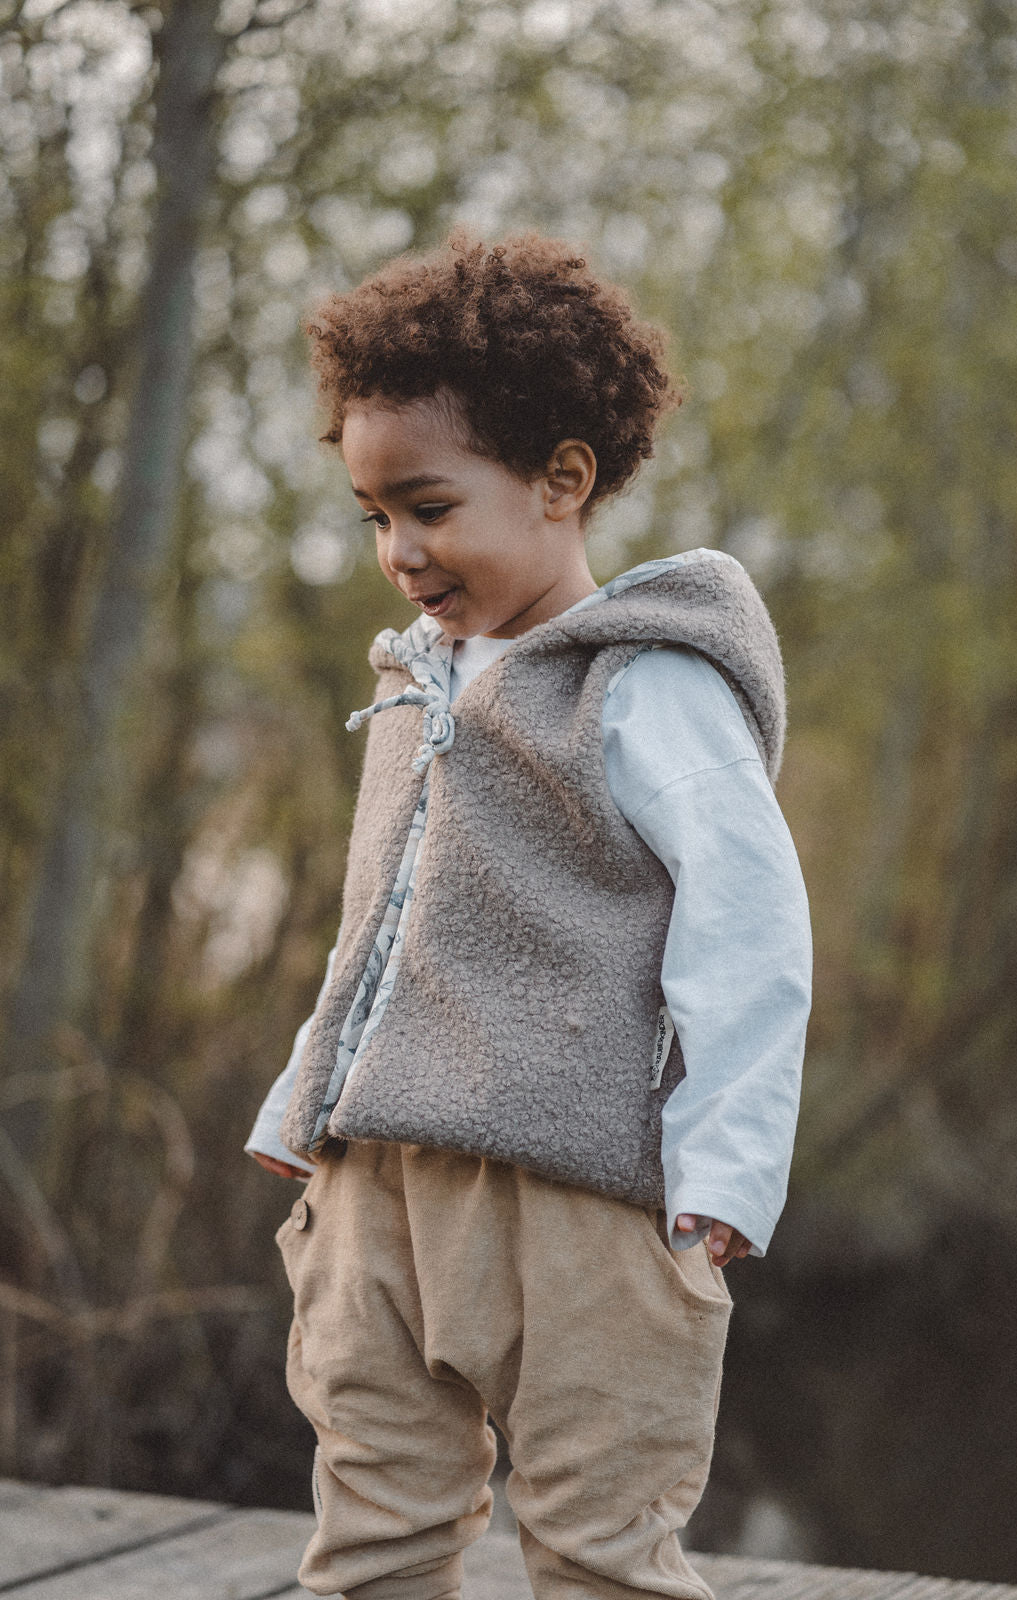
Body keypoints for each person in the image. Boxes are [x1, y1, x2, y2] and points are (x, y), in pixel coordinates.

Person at [246, 230, 812, 1600]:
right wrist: (300, 1100)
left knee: (601, 1547)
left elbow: (750, 933)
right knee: (371, 1530)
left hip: (581, 1203)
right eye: (375, 515)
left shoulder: (645, 687)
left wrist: (726, 1167)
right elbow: (376, 924)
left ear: (563, 481)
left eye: (429, 506)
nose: (399, 551)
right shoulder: (414, 685)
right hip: (380, 1185)